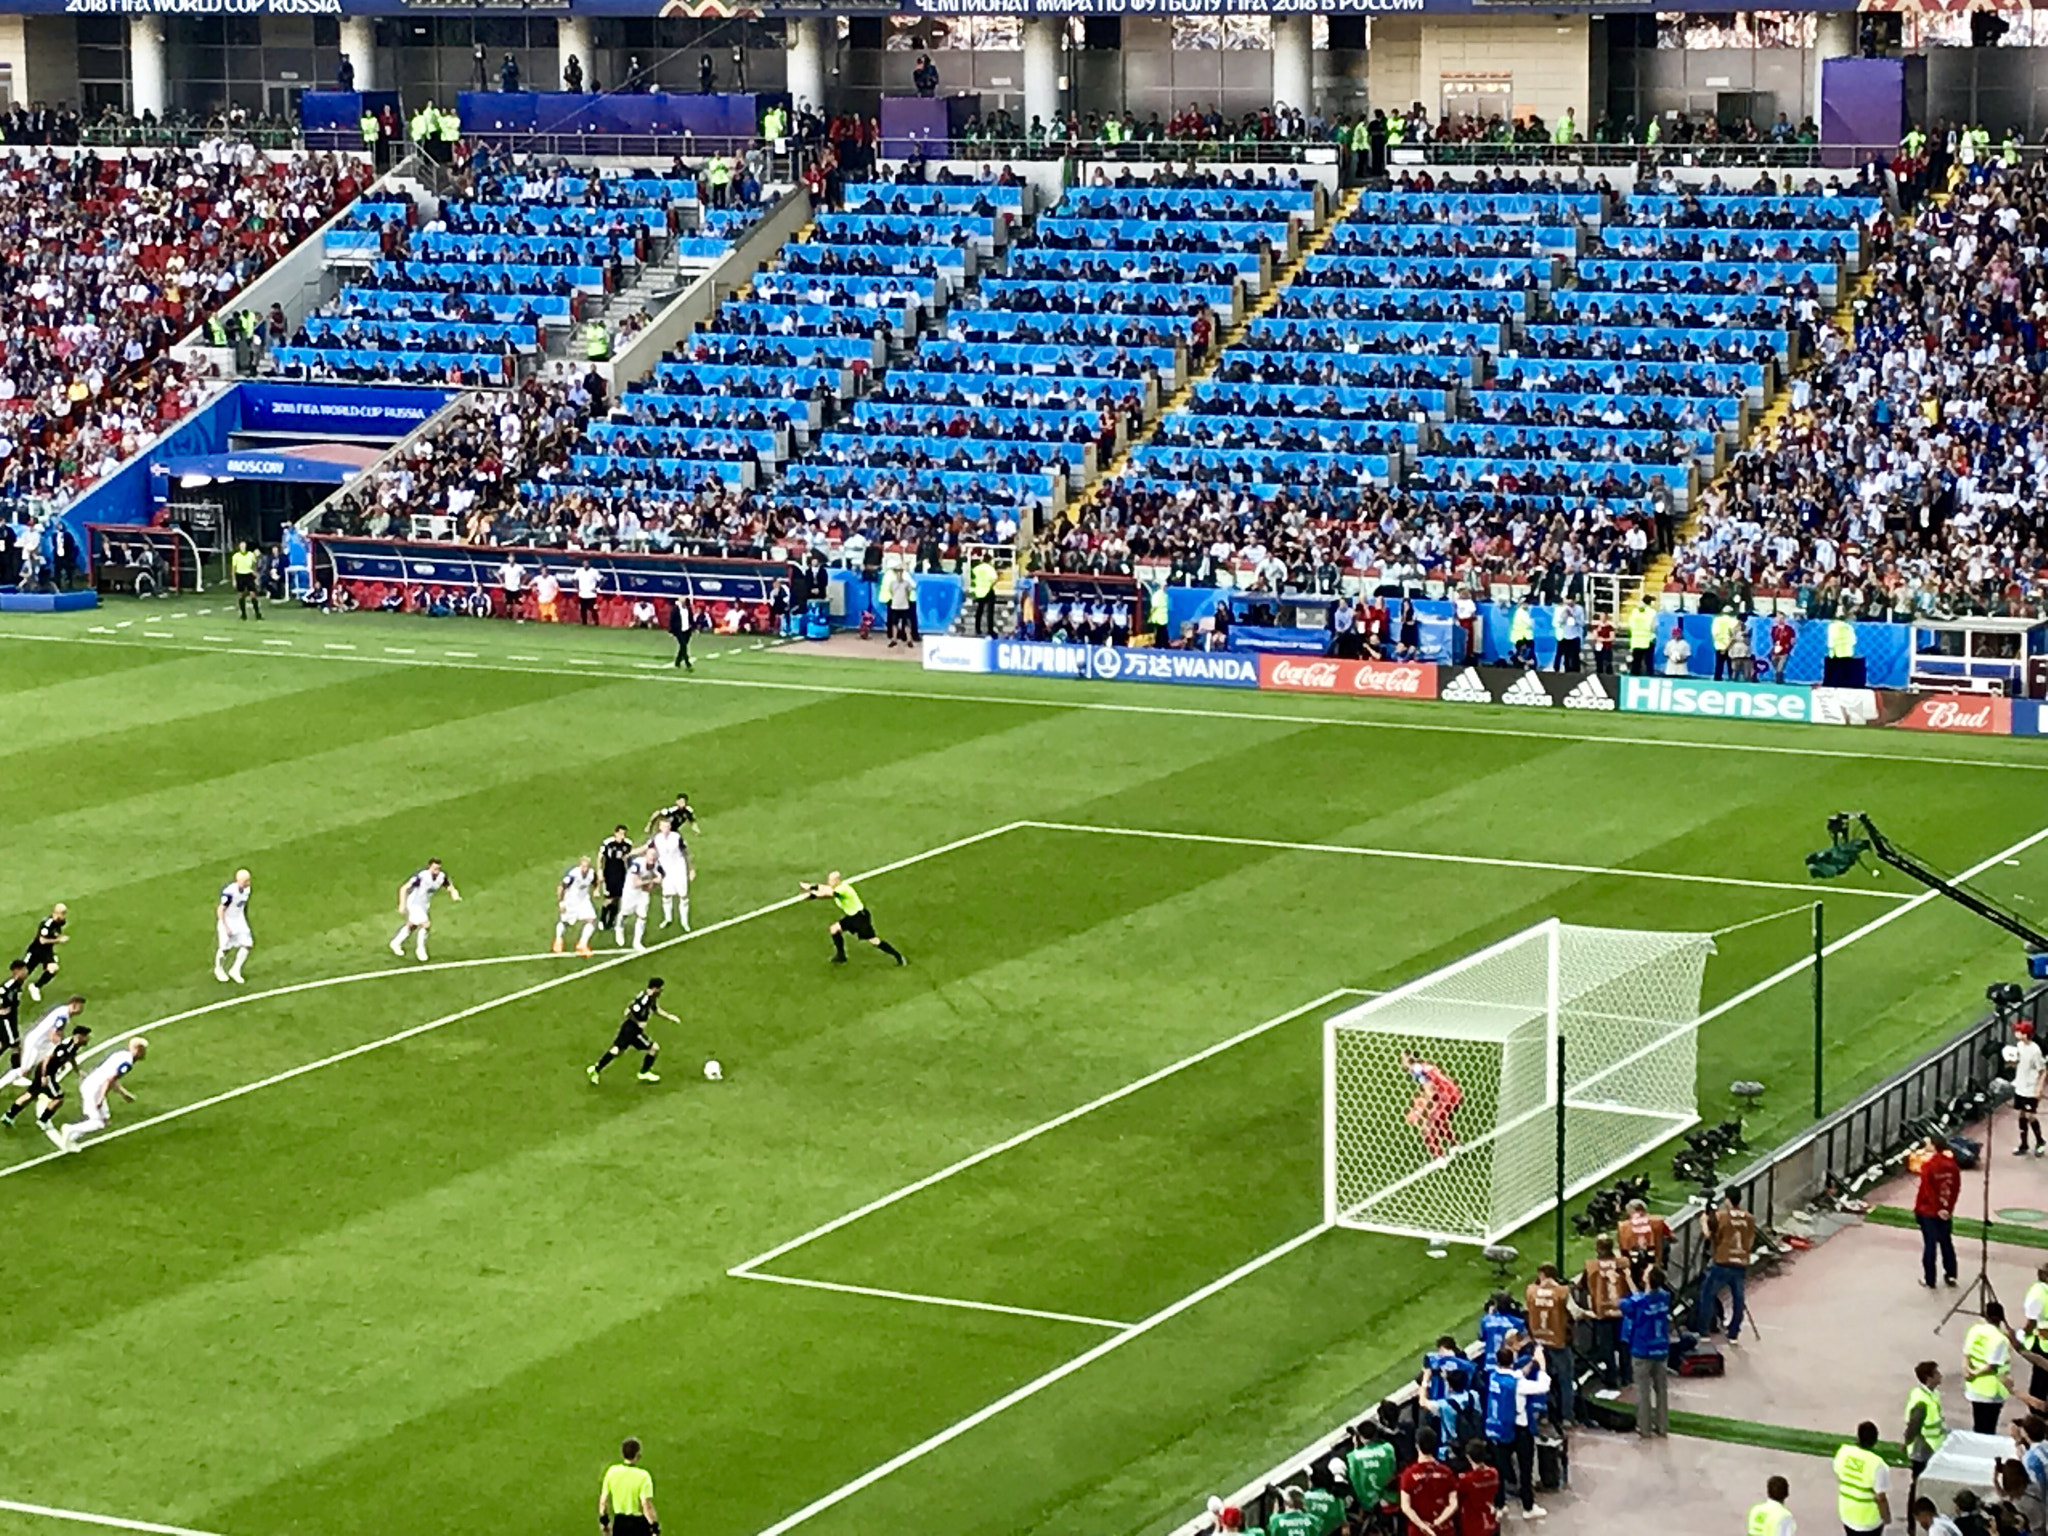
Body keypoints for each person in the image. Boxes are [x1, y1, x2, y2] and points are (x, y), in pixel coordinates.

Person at [57, 1036, 145, 1153]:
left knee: (104, 1119)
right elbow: (108, 1080)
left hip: (92, 1083)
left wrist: (124, 1094)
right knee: (98, 1122)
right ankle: (69, 1129)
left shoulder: (122, 1054)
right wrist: (101, 1098)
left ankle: (70, 1139)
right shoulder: (127, 1063)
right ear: (138, 1049)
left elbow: (112, 1078)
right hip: (94, 1089)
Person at [801, 871, 906, 966]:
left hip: (860, 918)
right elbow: (825, 888)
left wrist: (812, 895)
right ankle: (841, 956)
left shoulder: (843, 889)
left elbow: (829, 894)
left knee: (874, 941)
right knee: (834, 929)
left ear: (837, 880)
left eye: (831, 880)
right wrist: (811, 886)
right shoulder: (837, 886)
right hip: (852, 916)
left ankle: (898, 956)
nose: (829, 882)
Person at [588, 979, 677, 1085]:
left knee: (617, 1051)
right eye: (660, 988)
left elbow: (655, 1009)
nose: (661, 991)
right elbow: (629, 1011)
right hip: (632, 1030)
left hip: (630, 1028)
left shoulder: (649, 997)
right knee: (653, 1048)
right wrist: (638, 1022)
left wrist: (669, 1016)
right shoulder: (644, 999)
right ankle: (643, 1073)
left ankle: (595, 1069)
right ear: (654, 988)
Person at [1618, 1265, 1671, 1437]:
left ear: (1647, 1280)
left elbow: (1625, 1303)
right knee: (1661, 1390)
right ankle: (1663, 1426)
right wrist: (1628, 1278)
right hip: (1661, 1349)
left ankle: (1645, 1427)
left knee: (1643, 1391)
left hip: (1642, 1351)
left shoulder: (1637, 1303)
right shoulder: (1664, 1297)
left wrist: (1615, 1281)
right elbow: (1640, 1298)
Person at [1698, 1188, 1756, 1343]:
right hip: (1740, 1262)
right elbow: (1750, 1240)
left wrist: (1703, 1221)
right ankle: (1733, 1333)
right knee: (1738, 1298)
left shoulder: (1721, 1216)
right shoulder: (1749, 1218)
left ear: (1727, 1200)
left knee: (1707, 1295)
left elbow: (1708, 1235)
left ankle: (1703, 1331)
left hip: (1722, 1262)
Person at [1524, 1263, 1578, 1428]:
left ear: (1541, 1274)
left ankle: (1545, 1415)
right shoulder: (1562, 1292)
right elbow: (1575, 1313)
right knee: (1565, 1380)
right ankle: (1567, 1417)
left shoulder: (1531, 1291)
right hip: (1558, 1342)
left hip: (1539, 1343)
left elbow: (1527, 1311)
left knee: (1542, 1378)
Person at [1, 995, 85, 1092]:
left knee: (36, 1065)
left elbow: (57, 1033)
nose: (81, 1009)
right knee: (24, 1070)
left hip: (40, 1043)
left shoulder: (63, 1012)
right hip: (35, 1043)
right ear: (74, 1004)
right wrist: (60, 1046)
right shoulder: (63, 1015)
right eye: (80, 1006)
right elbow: (52, 1034)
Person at [1580, 1236, 1634, 1388]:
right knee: (1624, 1344)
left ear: (1598, 1248)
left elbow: (1583, 1285)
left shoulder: (1592, 1266)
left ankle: (1611, 1378)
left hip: (1603, 1313)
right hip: (1622, 1311)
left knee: (1606, 1347)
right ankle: (1627, 1376)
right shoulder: (1623, 1263)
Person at [1911, 1132, 1961, 1289]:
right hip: (1945, 1211)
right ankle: (1951, 1274)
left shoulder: (1928, 1166)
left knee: (1930, 1245)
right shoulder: (1952, 1165)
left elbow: (1928, 1191)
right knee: (1947, 1243)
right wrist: (1947, 1208)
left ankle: (1930, 1279)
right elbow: (1955, 1188)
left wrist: (1937, 1208)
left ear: (1933, 1145)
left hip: (1928, 1211)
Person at [390, 858, 461, 962]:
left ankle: (395, 943)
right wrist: (402, 904)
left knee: (412, 925)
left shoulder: (441, 877)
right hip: (414, 903)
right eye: (434, 868)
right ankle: (420, 949)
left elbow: (449, 887)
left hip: (424, 905)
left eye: (438, 869)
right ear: (429, 867)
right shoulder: (421, 877)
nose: (436, 871)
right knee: (426, 925)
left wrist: (455, 895)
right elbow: (404, 888)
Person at [1400, 1051, 1462, 1162]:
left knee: (1427, 1127)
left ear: (1408, 1061)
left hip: (1446, 1097)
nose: (1401, 1062)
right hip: (1454, 1093)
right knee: (1438, 1122)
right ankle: (1455, 1146)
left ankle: (1439, 1158)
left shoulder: (1416, 1070)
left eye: (1402, 1059)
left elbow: (1431, 1090)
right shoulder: (1425, 1065)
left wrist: (1422, 1111)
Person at [1964, 1301, 2014, 1433]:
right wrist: (1975, 1372)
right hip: (1992, 1390)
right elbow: (1992, 1366)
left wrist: (1968, 1370)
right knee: (1988, 1428)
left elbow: (1966, 1354)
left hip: (1974, 1388)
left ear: (1985, 1315)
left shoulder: (1974, 1330)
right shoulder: (2000, 1339)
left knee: (1978, 1425)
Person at [1835, 1421, 1892, 1536]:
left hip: (1847, 1514)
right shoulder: (1877, 1464)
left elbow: (1838, 1472)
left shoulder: (1843, 1452)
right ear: (1875, 1440)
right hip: (1869, 1521)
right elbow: (1880, 1498)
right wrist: (1886, 1517)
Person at [1396, 1435, 1459, 1535]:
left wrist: (1424, 1527)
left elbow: (1405, 1506)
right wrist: (1438, 1521)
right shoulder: (1447, 1472)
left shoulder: (1408, 1474)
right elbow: (1454, 1504)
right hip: (1444, 1529)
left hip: (1418, 1531)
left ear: (1417, 1446)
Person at [598, 1436, 658, 1536]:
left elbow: (603, 1501)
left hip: (620, 1523)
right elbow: (646, 1505)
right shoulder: (643, 1476)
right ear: (637, 1454)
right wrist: (654, 1526)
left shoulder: (612, 1472)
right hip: (638, 1524)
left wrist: (604, 1521)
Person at [1905, 1361, 1947, 1503]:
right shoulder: (1921, 1399)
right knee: (1918, 1485)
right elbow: (1914, 1425)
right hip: (1923, 1447)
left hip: (1932, 1444)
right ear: (1929, 1378)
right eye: (1936, 1373)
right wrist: (1907, 1443)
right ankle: (1912, 1519)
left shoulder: (1933, 1394)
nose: (1940, 1375)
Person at [20, 902, 68, 1001]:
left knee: (53, 969)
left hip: (46, 951)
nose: (61, 916)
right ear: (54, 912)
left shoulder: (60, 922)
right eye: (59, 913)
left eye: (63, 914)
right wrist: (58, 940)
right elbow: (42, 940)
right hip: (36, 950)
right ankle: (9, 991)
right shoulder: (47, 924)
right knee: (22, 973)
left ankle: (35, 986)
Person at [1617, 1198, 1671, 1287]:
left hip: (1635, 1266)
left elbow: (1622, 1249)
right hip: (1656, 1263)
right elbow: (1672, 1237)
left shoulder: (1624, 1226)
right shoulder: (1656, 1221)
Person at [214, 868, 254, 985]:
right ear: (239, 881)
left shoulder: (247, 890)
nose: (248, 883)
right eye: (246, 881)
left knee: (248, 944)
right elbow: (221, 909)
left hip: (239, 920)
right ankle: (219, 969)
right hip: (228, 920)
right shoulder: (229, 893)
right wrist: (225, 926)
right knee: (225, 949)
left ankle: (235, 970)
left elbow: (243, 906)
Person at [616, 845, 658, 951]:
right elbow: (636, 883)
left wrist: (655, 883)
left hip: (643, 893)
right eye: (650, 855)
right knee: (625, 913)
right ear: (645, 855)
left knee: (642, 916)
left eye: (654, 856)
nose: (652, 858)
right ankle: (619, 927)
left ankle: (637, 942)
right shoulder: (637, 865)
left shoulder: (656, 865)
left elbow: (657, 878)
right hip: (631, 892)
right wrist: (651, 881)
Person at [651, 818, 690, 932]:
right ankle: (667, 918)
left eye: (668, 827)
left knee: (683, 895)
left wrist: (690, 868)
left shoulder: (676, 837)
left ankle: (684, 921)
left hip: (679, 869)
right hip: (666, 870)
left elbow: (685, 852)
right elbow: (648, 849)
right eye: (663, 827)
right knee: (667, 895)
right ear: (660, 827)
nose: (666, 829)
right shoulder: (657, 838)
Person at [555, 856, 599, 957]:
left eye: (586, 867)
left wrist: (596, 890)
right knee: (565, 922)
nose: (585, 869)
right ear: (580, 865)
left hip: (584, 901)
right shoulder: (573, 875)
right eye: (583, 867)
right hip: (571, 901)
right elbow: (561, 887)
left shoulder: (591, 873)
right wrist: (561, 902)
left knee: (591, 920)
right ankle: (558, 940)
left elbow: (595, 882)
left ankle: (582, 944)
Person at [2014, 1021, 2046, 1156]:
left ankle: (2040, 1141)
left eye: (2019, 1031)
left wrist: (2038, 1088)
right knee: (2021, 1116)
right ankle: (2024, 1144)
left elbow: (2043, 1070)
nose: (2016, 1034)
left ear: (2025, 1034)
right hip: (2020, 1087)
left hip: (2030, 1089)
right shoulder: (2019, 1046)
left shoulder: (2035, 1051)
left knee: (2030, 1116)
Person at [598, 825, 634, 931]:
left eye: (624, 834)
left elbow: (629, 860)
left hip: (621, 874)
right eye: (620, 834)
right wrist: (600, 871)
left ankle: (611, 921)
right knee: (609, 898)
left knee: (618, 898)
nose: (622, 836)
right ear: (615, 833)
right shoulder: (608, 843)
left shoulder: (627, 844)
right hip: (609, 873)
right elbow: (600, 857)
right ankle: (603, 919)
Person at [232, 541, 262, 620]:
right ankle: (243, 614)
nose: (243, 548)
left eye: (244, 546)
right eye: (241, 547)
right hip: (240, 575)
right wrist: (234, 579)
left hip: (249, 575)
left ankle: (257, 613)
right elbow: (234, 569)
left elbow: (253, 566)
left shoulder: (250, 555)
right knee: (241, 595)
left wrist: (255, 576)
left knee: (253, 594)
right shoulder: (236, 556)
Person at [970, 552, 998, 636]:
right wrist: (990, 585)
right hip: (988, 590)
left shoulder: (977, 568)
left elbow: (973, 578)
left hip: (979, 591)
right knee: (990, 612)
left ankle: (977, 629)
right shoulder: (990, 568)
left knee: (979, 611)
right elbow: (995, 579)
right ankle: (990, 630)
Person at [667, 594, 693, 671]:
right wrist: (671, 631)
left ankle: (677, 661)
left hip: (687, 630)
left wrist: (693, 627)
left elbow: (690, 618)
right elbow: (672, 620)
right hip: (679, 630)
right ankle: (687, 662)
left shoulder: (687, 608)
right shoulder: (675, 609)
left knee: (683, 647)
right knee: (683, 646)